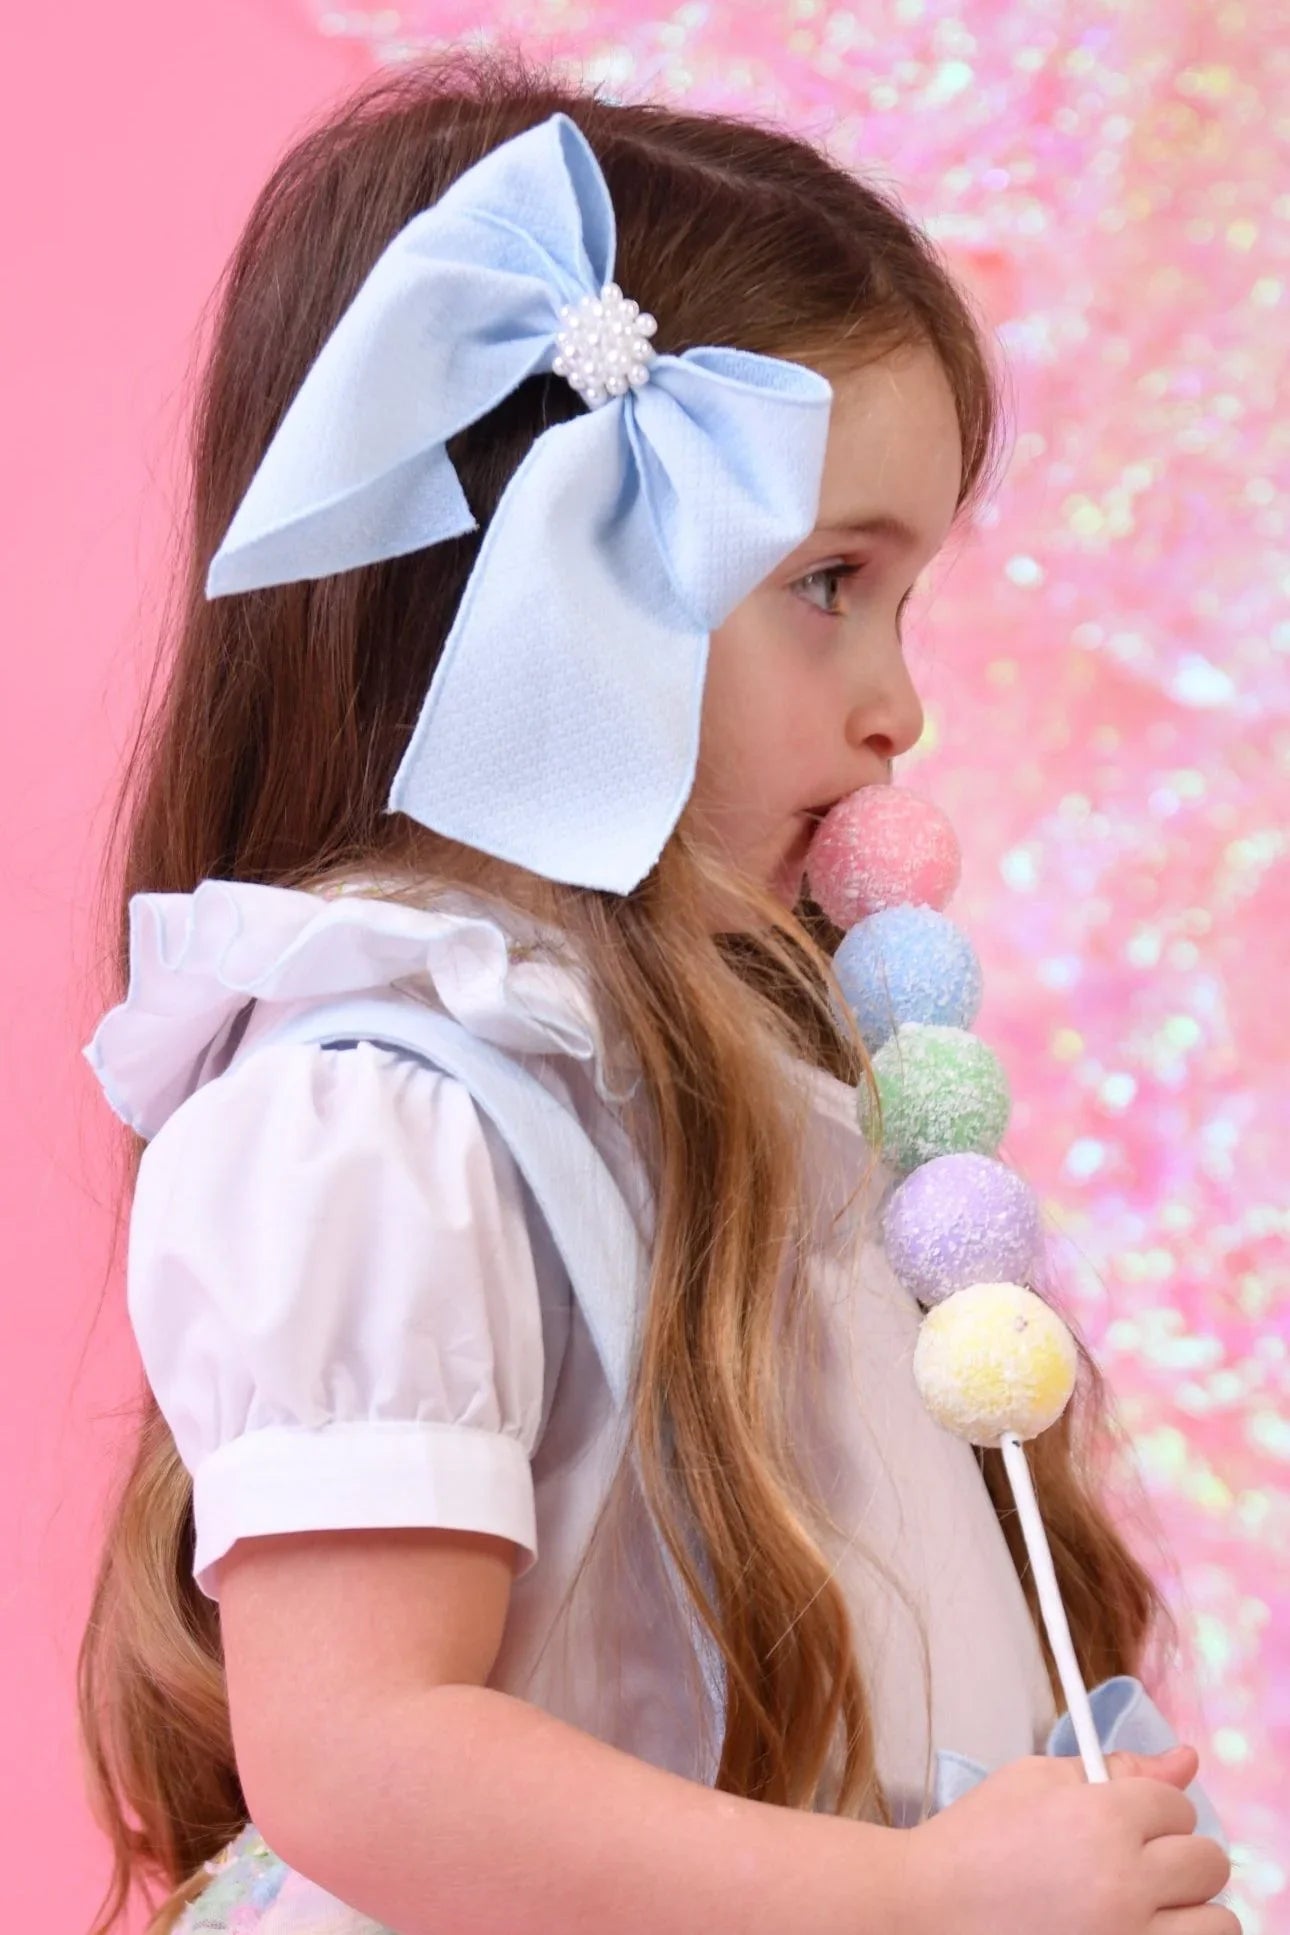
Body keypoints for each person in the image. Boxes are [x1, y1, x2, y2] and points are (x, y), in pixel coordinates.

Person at [77, 49, 1235, 1935]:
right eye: (829, 581)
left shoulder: (756, 1081)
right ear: (542, 593)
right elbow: (362, 1752)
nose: (899, 708)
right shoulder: (392, 1106)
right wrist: (927, 1900)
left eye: (905, 597)